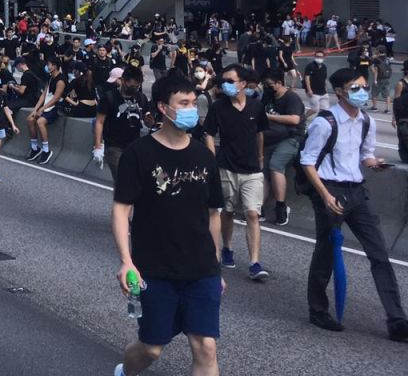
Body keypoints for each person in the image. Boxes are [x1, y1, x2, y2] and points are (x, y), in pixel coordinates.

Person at [111, 73, 224, 376]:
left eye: (193, 102)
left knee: (206, 347)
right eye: (183, 103)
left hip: (201, 269)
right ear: (163, 107)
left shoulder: (204, 156)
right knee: (151, 348)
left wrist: (216, 266)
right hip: (155, 269)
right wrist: (126, 261)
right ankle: (125, 371)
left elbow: (214, 214)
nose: (191, 108)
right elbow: (122, 210)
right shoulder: (139, 154)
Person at [299, 67, 408, 340]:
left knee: (380, 254)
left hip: (357, 192)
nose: (362, 92)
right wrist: (325, 195)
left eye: (363, 87)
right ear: (339, 92)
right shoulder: (324, 123)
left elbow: (365, 154)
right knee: (325, 253)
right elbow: (307, 162)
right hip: (331, 190)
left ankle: (397, 321)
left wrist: (375, 164)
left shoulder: (367, 122)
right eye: (355, 88)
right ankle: (318, 310)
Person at [202, 64, 269, 280]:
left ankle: (255, 262)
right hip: (226, 167)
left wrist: (259, 158)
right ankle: (228, 247)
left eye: (231, 81)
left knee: (252, 213)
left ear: (242, 83)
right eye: (224, 81)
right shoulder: (218, 107)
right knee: (227, 212)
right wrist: (212, 158)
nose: (226, 85)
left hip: (251, 170)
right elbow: (209, 133)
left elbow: (260, 133)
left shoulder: (256, 107)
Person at [260, 68, 305, 226]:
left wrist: (269, 116)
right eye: (265, 85)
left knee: (275, 165)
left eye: (270, 84)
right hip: (269, 138)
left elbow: (294, 120)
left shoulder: (291, 98)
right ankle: (259, 208)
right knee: (262, 172)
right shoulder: (267, 96)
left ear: (280, 83)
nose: (267, 87)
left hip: (290, 138)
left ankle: (281, 207)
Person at [94, 65, 151, 183]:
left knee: (134, 181)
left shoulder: (141, 97)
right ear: (123, 81)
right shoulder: (109, 98)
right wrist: (98, 146)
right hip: (114, 145)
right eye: (132, 86)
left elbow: (147, 121)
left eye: (137, 86)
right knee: (122, 180)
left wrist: (149, 121)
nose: (134, 89)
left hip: (134, 145)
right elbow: (99, 122)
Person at [25, 56, 67, 164]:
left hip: (56, 107)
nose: (47, 66)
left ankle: (46, 150)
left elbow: (56, 98)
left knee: (40, 121)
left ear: (55, 66)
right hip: (46, 106)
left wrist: (43, 109)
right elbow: (44, 94)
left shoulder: (61, 80)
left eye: (49, 64)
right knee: (30, 119)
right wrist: (36, 109)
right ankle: (35, 148)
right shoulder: (50, 77)